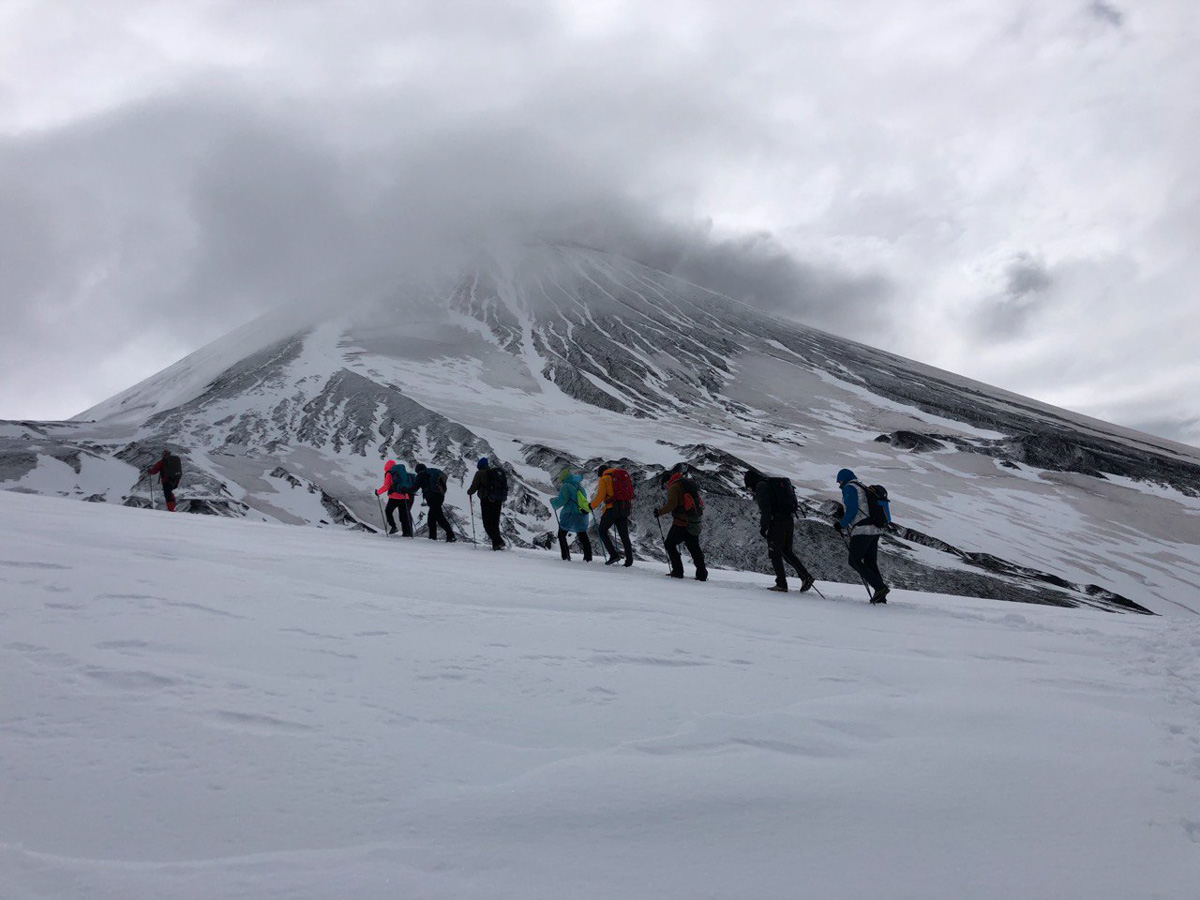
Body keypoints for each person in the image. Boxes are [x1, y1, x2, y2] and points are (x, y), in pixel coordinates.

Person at [744, 469, 814, 593]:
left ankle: (781, 584)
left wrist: (764, 527)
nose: (750, 490)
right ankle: (805, 576)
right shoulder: (770, 484)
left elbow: (766, 509)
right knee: (787, 551)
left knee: (775, 552)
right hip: (788, 520)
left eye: (749, 487)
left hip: (777, 522)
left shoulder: (761, 487)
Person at [835, 468, 891, 604]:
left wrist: (841, 524)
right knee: (870, 562)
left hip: (862, 530)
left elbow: (853, 510)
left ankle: (880, 588)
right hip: (875, 530)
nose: (839, 484)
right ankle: (880, 596)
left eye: (840, 481)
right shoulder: (862, 486)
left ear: (844, 479)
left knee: (854, 561)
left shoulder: (849, 488)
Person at [655, 468, 707, 581]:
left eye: (664, 486)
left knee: (669, 544)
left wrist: (659, 512)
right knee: (694, 548)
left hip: (681, 521)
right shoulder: (685, 483)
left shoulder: (674, 487)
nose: (665, 489)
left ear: (667, 482)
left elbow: (671, 505)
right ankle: (702, 574)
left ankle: (678, 571)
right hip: (694, 520)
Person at [590, 464, 634, 566]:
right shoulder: (618, 476)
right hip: (624, 507)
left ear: (601, 473)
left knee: (602, 531)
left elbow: (600, 496)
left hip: (612, 509)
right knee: (624, 536)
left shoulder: (604, 479)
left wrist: (591, 506)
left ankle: (614, 555)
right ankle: (629, 560)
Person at [549, 468, 593, 561]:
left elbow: (562, 500)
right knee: (582, 534)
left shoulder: (566, 486)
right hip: (581, 514)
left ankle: (566, 556)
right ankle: (588, 558)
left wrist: (553, 501)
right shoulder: (579, 486)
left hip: (570, 513)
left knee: (561, 534)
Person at [467, 457, 507, 550]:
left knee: (487, 524)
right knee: (494, 523)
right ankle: (496, 545)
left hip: (487, 500)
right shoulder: (495, 473)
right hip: (498, 499)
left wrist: (469, 492)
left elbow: (474, 486)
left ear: (479, 466)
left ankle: (499, 541)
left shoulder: (480, 473)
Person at [413, 463, 456, 542]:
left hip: (432, 498)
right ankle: (432, 537)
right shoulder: (432, 473)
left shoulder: (421, 475)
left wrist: (405, 490)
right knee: (431, 518)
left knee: (439, 517)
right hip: (440, 496)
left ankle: (451, 535)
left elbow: (414, 487)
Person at [375, 460, 415, 537]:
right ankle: (407, 533)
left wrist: (378, 492)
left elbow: (387, 486)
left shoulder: (389, 473)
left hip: (394, 497)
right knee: (404, 516)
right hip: (404, 496)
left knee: (388, 511)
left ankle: (393, 527)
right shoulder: (402, 472)